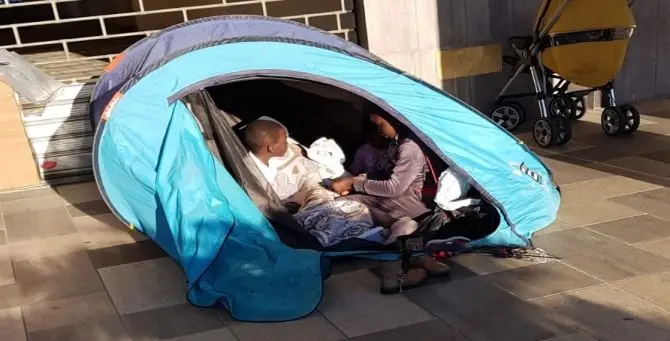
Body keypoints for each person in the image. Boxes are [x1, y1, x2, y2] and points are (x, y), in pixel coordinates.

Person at [242, 118, 415, 248]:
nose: (287, 143)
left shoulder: (291, 151)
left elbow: (312, 171)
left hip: (320, 196)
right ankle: (373, 237)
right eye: (283, 141)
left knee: (351, 206)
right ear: (271, 148)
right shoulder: (249, 172)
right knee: (344, 212)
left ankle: (390, 227)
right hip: (298, 212)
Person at [331, 109, 452, 294]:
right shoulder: (397, 143)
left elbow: (394, 187)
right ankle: (415, 256)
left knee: (349, 203)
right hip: (399, 198)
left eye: (381, 125)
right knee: (354, 201)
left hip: (409, 202)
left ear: (397, 122)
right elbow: (386, 174)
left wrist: (355, 183)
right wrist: (361, 179)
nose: (379, 131)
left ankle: (395, 272)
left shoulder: (410, 147)